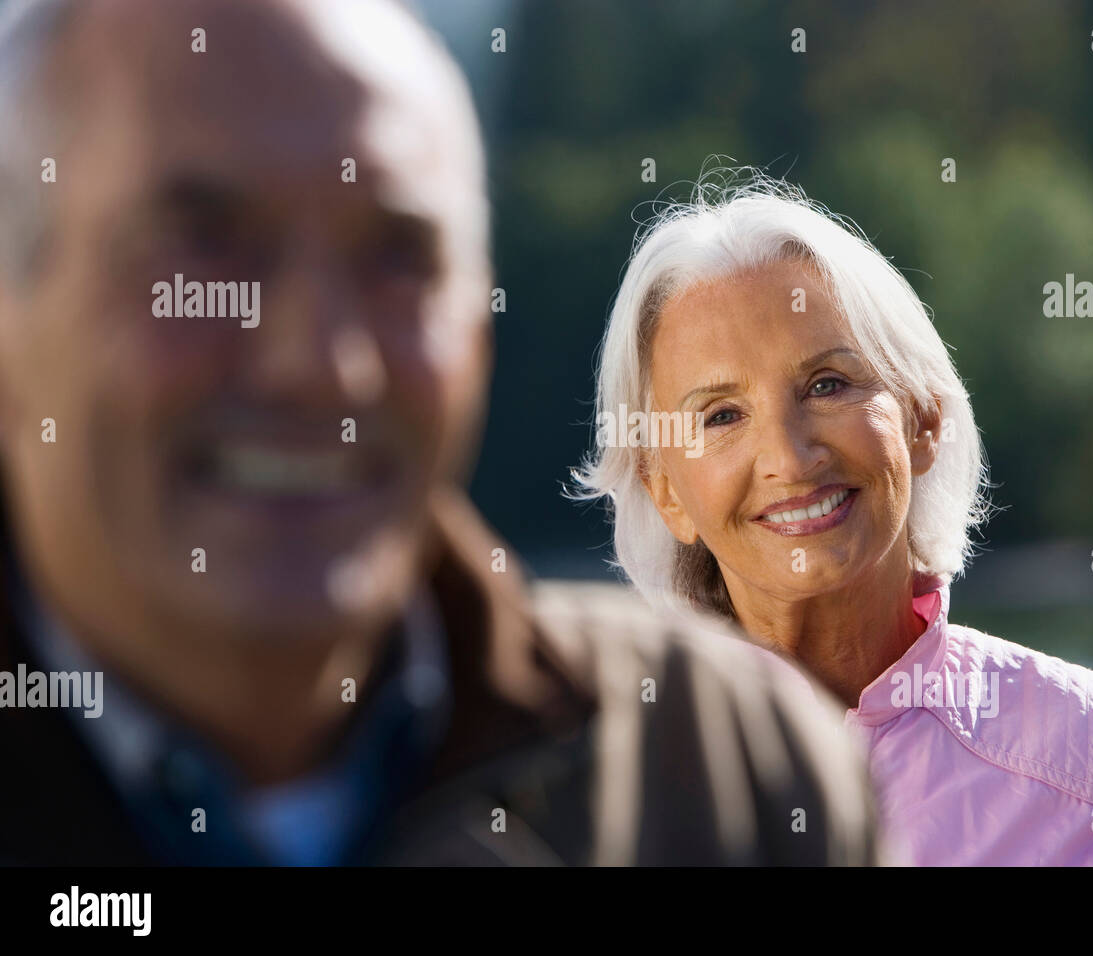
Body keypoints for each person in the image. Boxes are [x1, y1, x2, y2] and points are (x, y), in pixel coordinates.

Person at [0, 0, 878, 866]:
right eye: (206, 244)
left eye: (398, 258)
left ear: (478, 332)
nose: (321, 366)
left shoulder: (729, 774)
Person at [573, 170, 1093, 866]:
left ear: (923, 417)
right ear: (665, 492)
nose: (788, 454)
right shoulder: (592, 801)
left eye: (828, 384)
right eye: (721, 415)